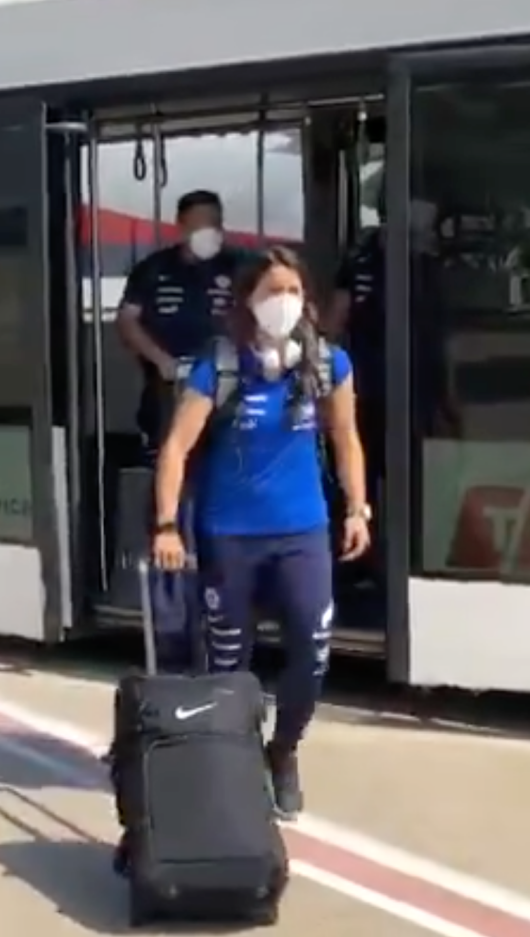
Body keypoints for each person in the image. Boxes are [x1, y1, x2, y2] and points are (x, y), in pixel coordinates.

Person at [151, 246, 370, 820]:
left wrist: (358, 508)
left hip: (303, 532)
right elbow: (176, 447)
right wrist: (168, 525)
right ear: (248, 301)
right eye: (272, 293)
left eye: (293, 292)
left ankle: (284, 750)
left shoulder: (326, 363)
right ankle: (233, 761)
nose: (284, 303)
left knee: (313, 652)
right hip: (231, 537)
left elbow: (346, 438)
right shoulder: (219, 366)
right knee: (228, 663)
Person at [115, 189, 248, 460]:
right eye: (199, 224)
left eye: (214, 223)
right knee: (172, 461)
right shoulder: (153, 269)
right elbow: (127, 321)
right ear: (181, 227)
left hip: (230, 388)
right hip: (169, 389)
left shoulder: (242, 267)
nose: (208, 231)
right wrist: (161, 360)